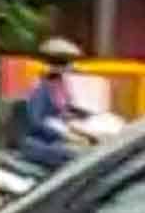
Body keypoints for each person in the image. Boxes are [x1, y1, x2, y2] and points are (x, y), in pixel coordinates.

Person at [19, 38, 93, 170]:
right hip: (40, 143)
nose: (69, 67)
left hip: (59, 139)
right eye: (63, 62)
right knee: (78, 158)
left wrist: (84, 119)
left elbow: (66, 111)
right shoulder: (40, 88)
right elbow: (36, 122)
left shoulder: (63, 86)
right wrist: (65, 136)